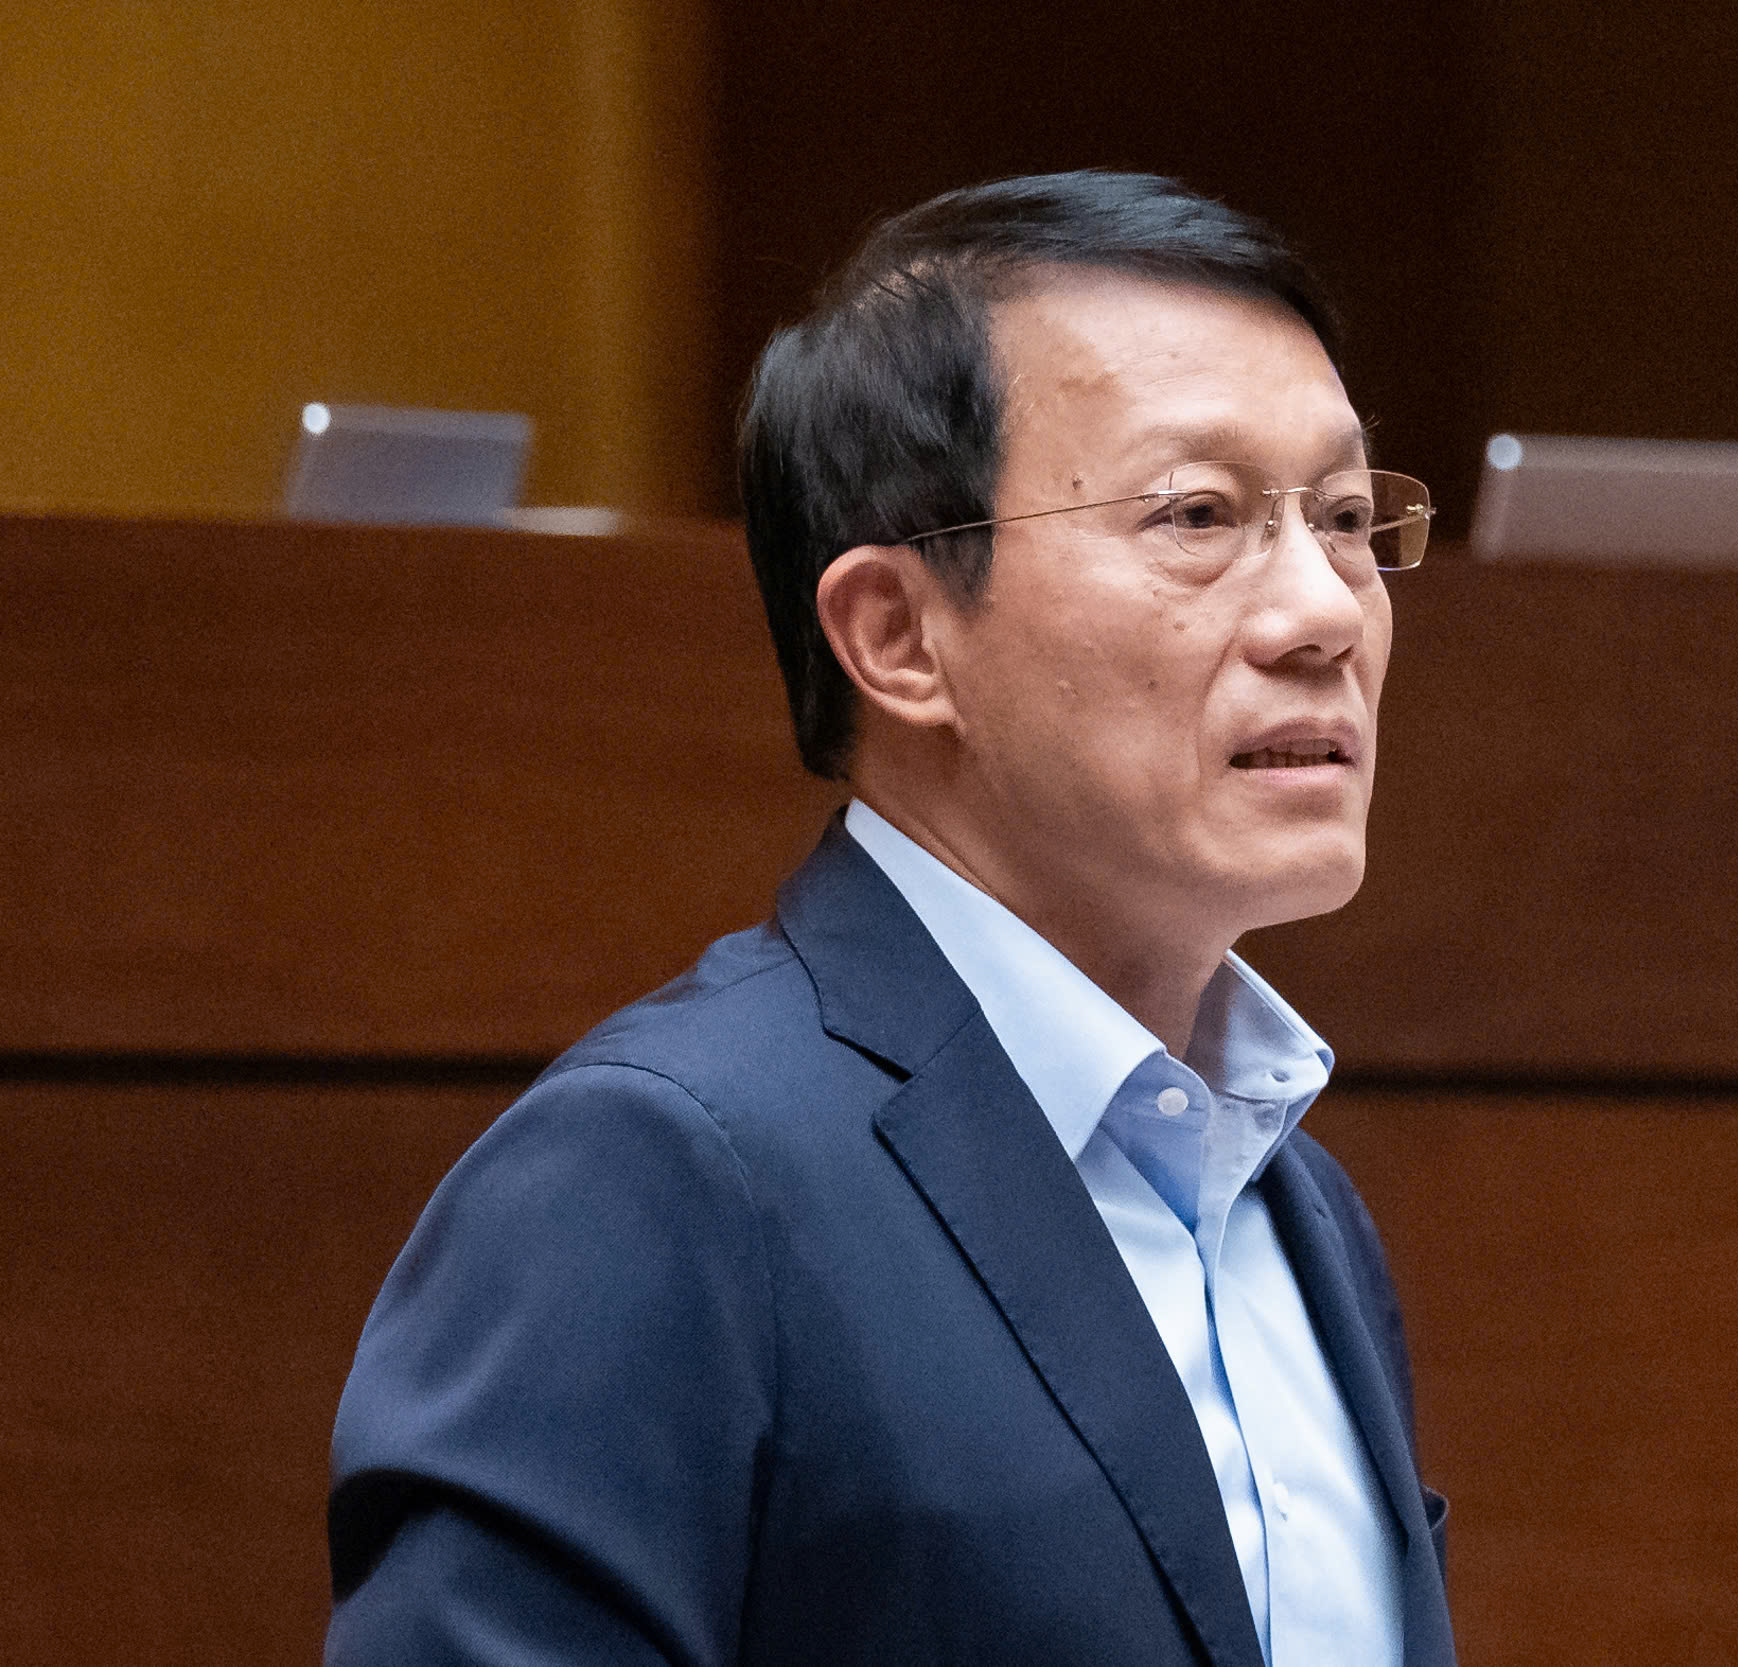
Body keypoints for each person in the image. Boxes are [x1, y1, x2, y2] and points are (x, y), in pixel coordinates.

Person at [325, 170, 1453, 1667]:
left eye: (1347, 518)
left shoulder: (1297, 1205)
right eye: (1198, 514)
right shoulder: (654, 1176)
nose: (1326, 611)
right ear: (898, 635)